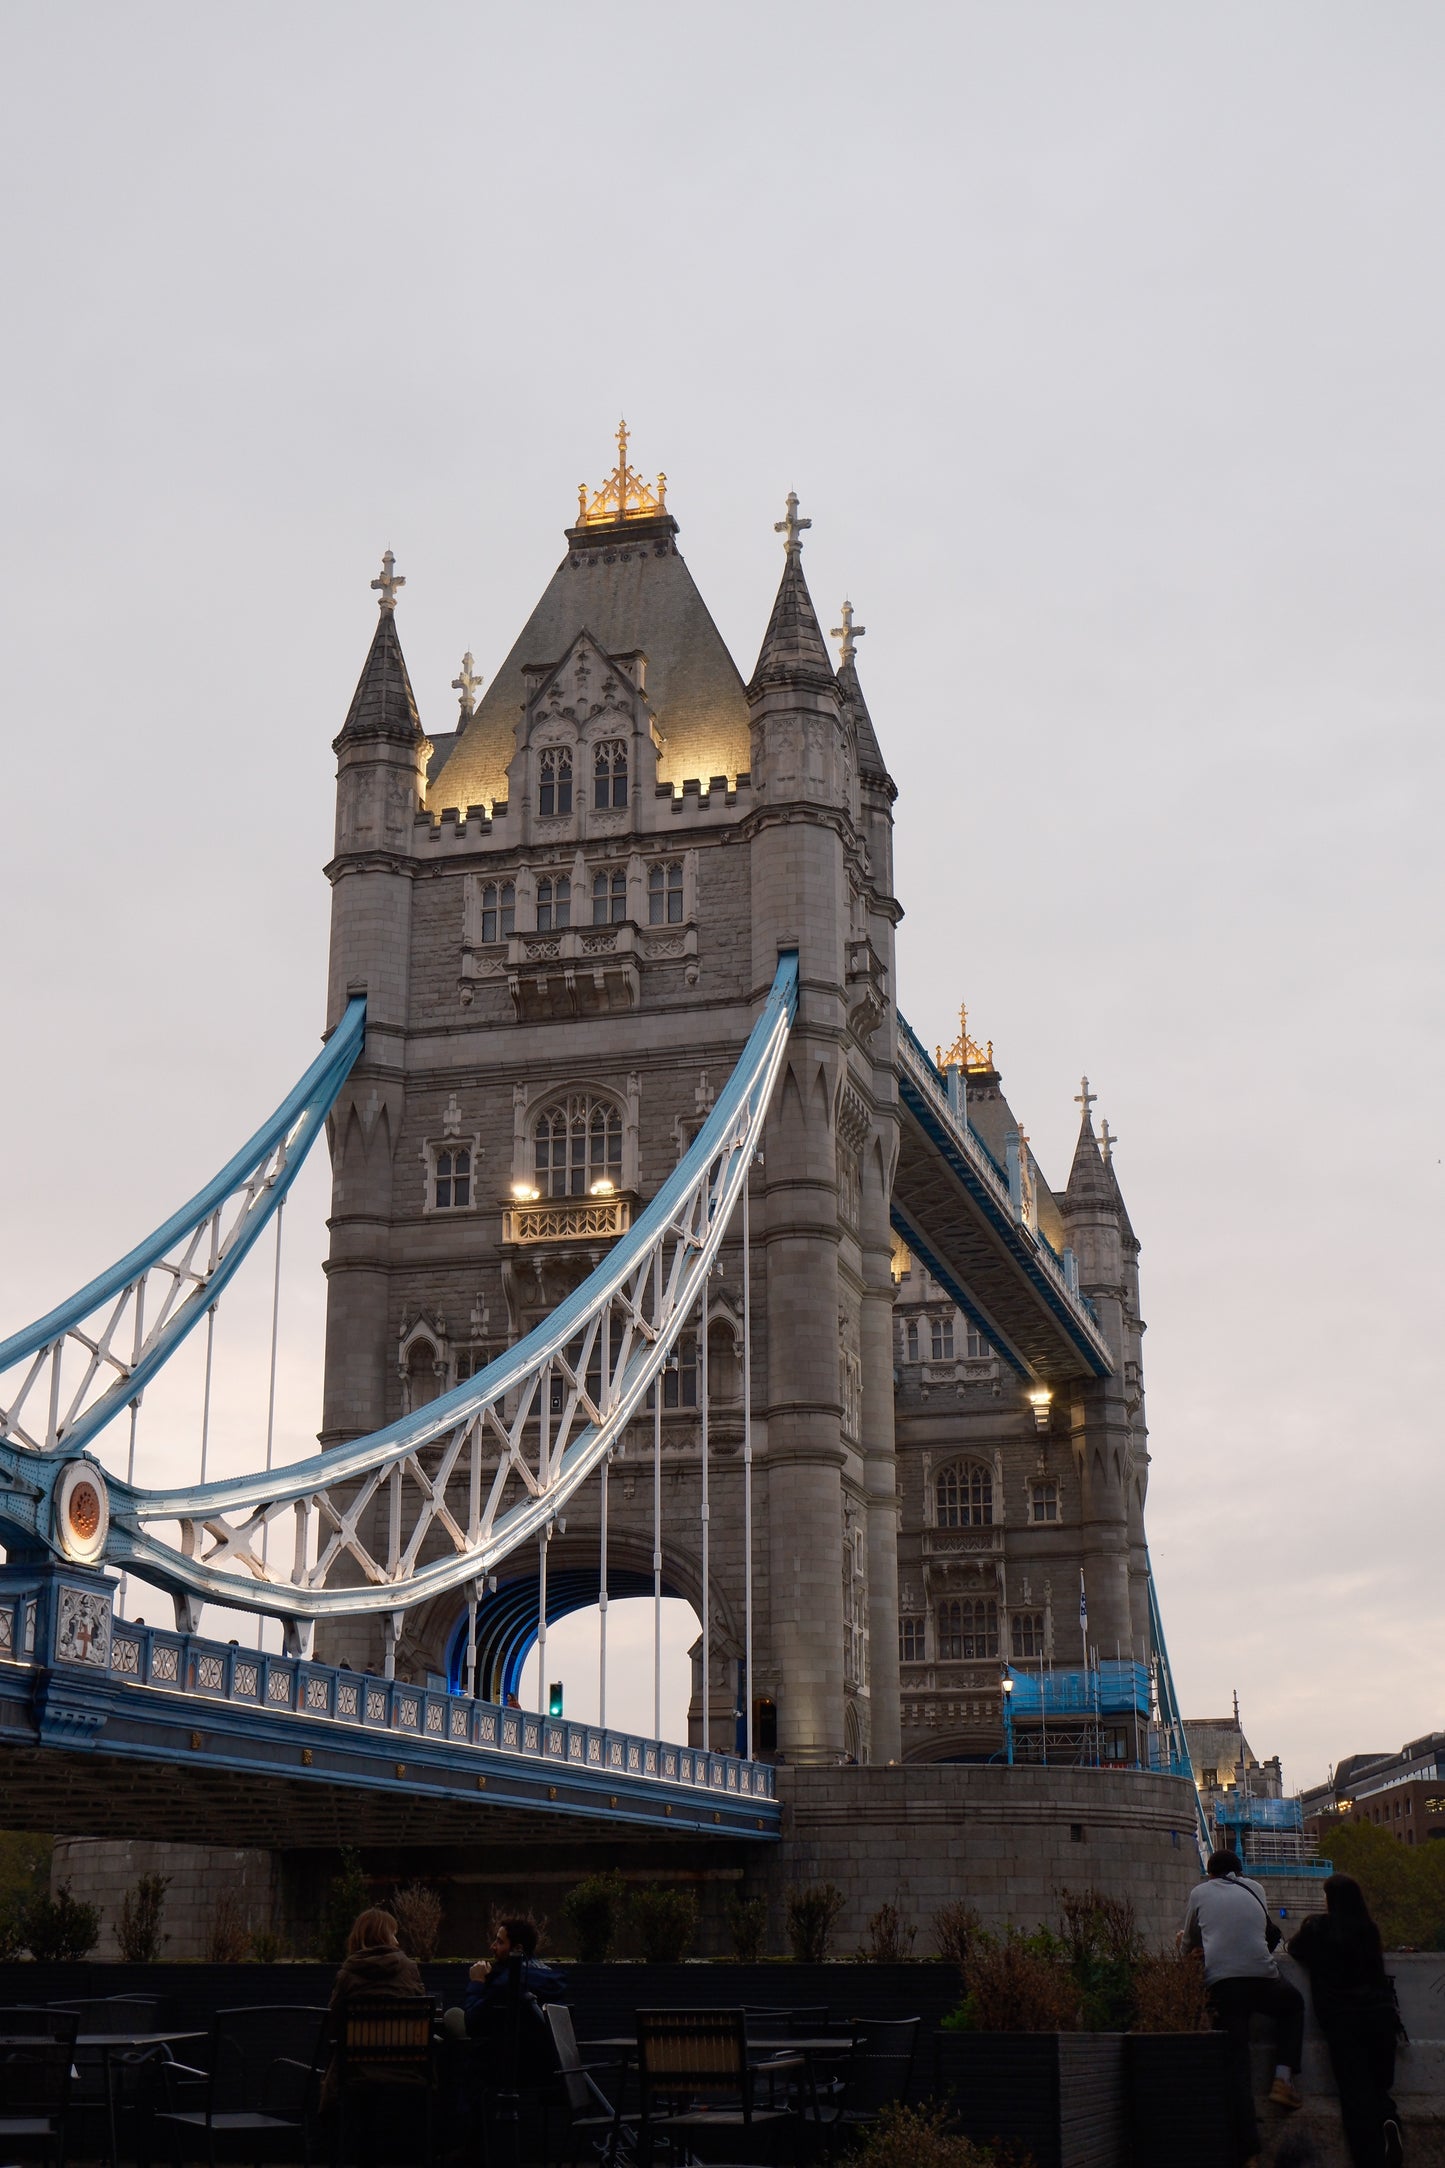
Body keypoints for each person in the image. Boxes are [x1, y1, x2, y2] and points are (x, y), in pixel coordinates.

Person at [1182, 1848, 1306, 2165]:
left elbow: (1189, 1945)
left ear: (1210, 1873)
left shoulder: (1199, 1892)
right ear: (1239, 1872)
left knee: (1237, 2067)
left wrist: (1193, 1946)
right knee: (1293, 2004)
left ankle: (1248, 2154)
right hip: (1262, 1977)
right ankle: (1283, 2078)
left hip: (1224, 1984)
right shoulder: (1256, 1888)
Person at [1289, 1874, 1404, 2168]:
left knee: (1354, 2095)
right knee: (1379, 2087)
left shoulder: (1318, 1928)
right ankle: (1390, 2123)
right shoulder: (1369, 1929)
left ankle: (1371, 2159)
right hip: (1380, 2016)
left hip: (1343, 2018)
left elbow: (1295, 1949)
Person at [321, 1906, 426, 2110]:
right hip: (407, 2072)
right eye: (393, 1935)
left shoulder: (347, 1976)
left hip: (359, 2074)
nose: (397, 1941)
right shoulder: (410, 1971)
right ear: (383, 1937)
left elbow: (334, 2026)